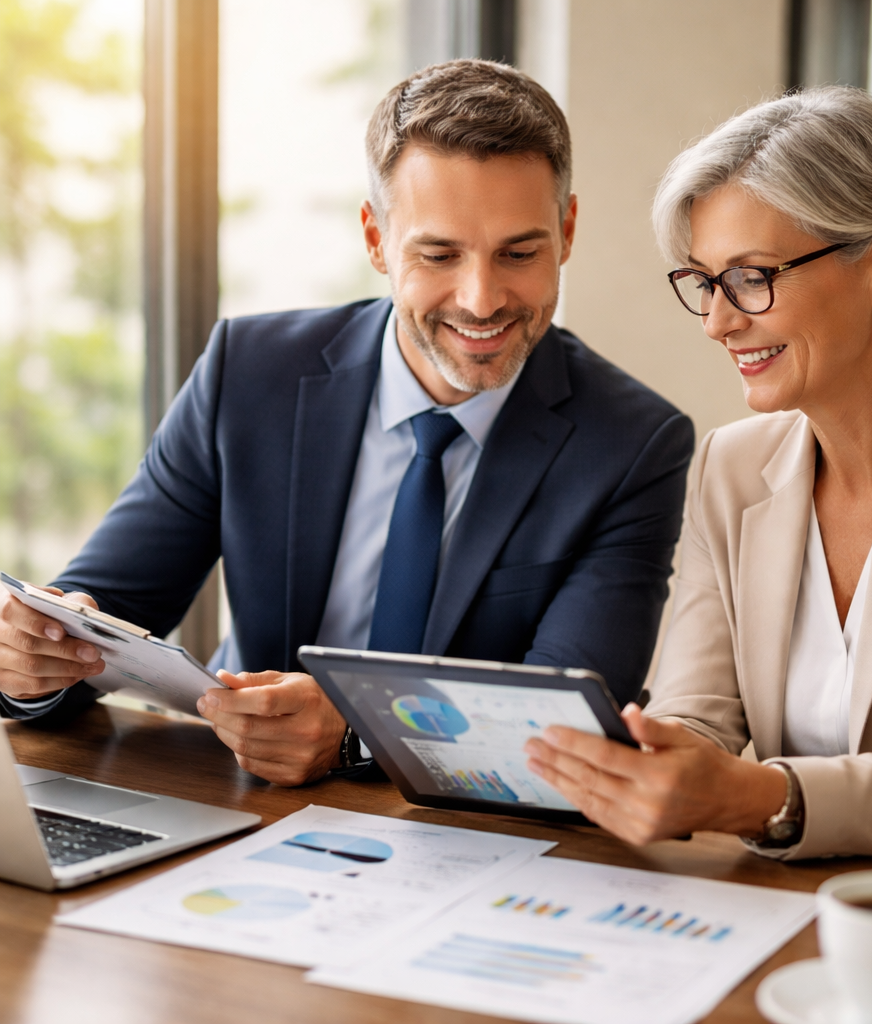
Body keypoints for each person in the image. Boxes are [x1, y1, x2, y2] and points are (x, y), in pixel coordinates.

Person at [0, 60, 693, 785]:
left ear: (568, 229)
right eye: (439, 254)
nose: (482, 298)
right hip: (241, 801)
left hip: (471, 846)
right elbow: (101, 607)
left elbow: (564, 733)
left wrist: (357, 736)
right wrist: (32, 663)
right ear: (375, 239)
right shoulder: (249, 374)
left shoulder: (635, 445)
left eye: (519, 253)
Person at [525, 86, 872, 865]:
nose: (721, 321)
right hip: (786, 909)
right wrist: (645, 762)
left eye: (752, 277)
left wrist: (758, 797)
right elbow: (697, 717)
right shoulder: (733, 464)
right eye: (704, 282)